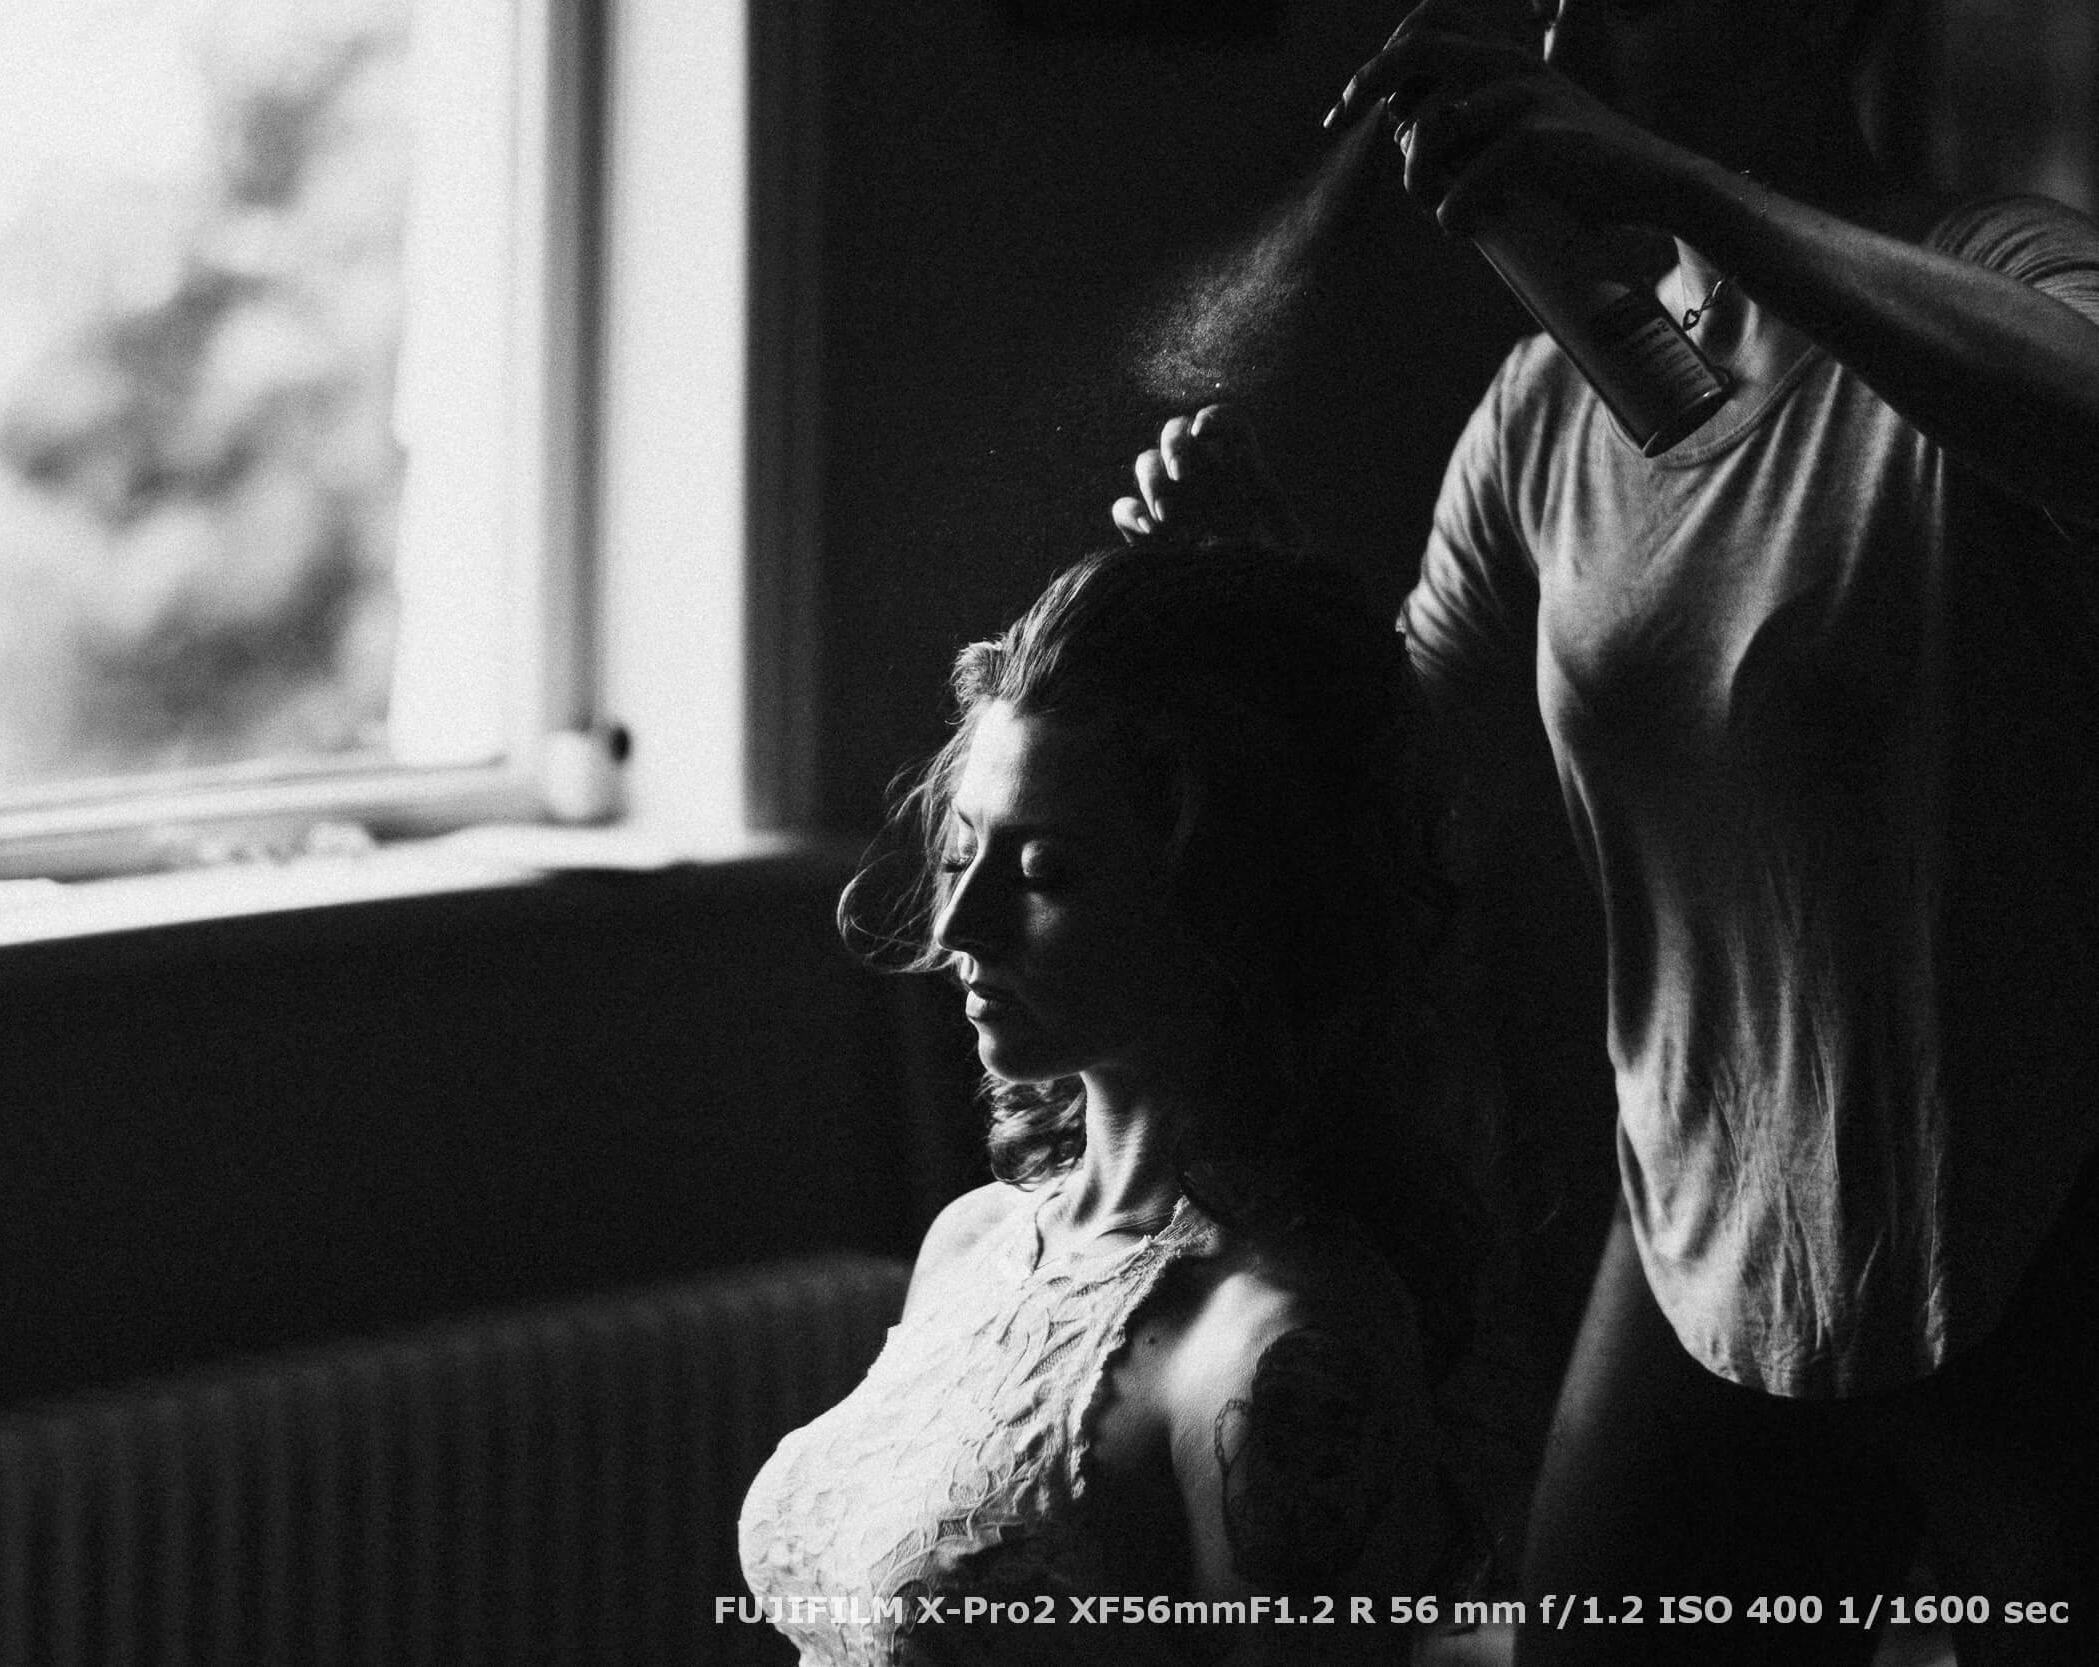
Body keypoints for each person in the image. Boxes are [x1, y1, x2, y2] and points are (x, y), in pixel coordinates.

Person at [1118, 2, 2099, 1662]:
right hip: (1710, 1225)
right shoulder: (1549, 411)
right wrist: (1263, 583)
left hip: (2037, 1221)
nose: (1568, 28)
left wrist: (1692, 191)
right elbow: (1403, 780)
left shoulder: (2005, 263)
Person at [737, 540, 1485, 1665]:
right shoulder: (975, 1237)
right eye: (958, 854)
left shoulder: (1280, 1344)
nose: (957, 930)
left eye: (1044, 872)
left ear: (1222, 900)